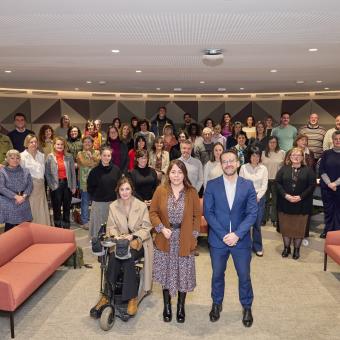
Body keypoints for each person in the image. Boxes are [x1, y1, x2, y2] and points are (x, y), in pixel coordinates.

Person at [204, 150, 257, 327]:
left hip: (240, 241)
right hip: (218, 241)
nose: (228, 164)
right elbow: (208, 213)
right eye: (224, 161)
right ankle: (216, 303)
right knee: (217, 274)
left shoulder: (247, 185)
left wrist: (237, 234)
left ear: (237, 163)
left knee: (244, 276)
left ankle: (247, 306)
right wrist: (223, 235)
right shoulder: (211, 185)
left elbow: (252, 213)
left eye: (231, 161)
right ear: (221, 164)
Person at [150, 160, 200, 323]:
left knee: (183, 274)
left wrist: (193, 236)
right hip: (165, 237)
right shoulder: (160, 190)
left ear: (184, 174)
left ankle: (180, 307)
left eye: (180, 172)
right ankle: (167, 306)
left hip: (184, 238)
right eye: (173, 172)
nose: (176, 175)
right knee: (166, 274)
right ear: (168, 174)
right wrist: (161, 229)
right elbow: (153, 213)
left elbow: (196, 216)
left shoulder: (191, 192)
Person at [101, 176, 154, 316]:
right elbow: (110, 227)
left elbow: (147, 227)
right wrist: (116, 236)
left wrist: (133, 236)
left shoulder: (141, 205)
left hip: (138, 242)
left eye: (127, 189)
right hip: (120, 242)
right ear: (118, 190)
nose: (125, 192)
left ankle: (131, 298)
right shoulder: (113, 206)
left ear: (132, 190)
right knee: (113, 257)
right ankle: (107, 294)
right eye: (122, 189)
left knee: (128, 257)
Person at [276, 147, 316, 259]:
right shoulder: (283, 169)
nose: (296, 157)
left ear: (302, 157)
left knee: (299, 229)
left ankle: (297, 250)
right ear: (290, 157)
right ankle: (286, 248)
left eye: (299, 155)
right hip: (285, 204)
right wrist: (286, 195)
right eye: (294, 155)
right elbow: (278, 184)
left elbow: (311, 186)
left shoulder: (309, 170)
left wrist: (300, 197)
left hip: (302, 205)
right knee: (286, 228)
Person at [87, 146, 121, 238]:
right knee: (99, 229)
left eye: (108, 155)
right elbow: (90, 188)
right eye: (104, 155)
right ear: (101, 156)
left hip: (113, 203)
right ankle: (98, 247)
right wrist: (97, 196)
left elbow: (120, 186)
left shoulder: (116, 170)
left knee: (112, 229)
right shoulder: (94, 172)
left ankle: (111, 248)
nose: (106, 157)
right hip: (99, 204)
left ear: (111, 157)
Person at [239, 147, 268, 256]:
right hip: (245, 199)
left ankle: (257, 246)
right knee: (245, 224)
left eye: (257, 155)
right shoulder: (243, 168)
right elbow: (240, 184)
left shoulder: (264, 169)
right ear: (249, 156)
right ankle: (244, 246)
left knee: (256, 224)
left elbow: (264, 186)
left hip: (259, 199)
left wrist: (257, 197)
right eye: (253, 155)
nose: (255, 158)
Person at [45, 137, 76, 228]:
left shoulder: (69, 156)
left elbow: (73, 172)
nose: (60, 146)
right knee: (56, 208)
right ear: (54, 145)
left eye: (62, 144)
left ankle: (66, 227)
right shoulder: (50, 157)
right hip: (56, 185)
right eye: (58, 144)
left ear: (64, 146)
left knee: (67, 207)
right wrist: (51, 186)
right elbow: (47, 173)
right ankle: (58, 228)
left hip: (67, 185)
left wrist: (73, 186)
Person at [20, 134, 50, 225]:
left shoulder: (41, 155)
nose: (34, 144)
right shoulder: (22, 156)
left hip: (41, 186)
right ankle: (33, 231)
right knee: (32, 209)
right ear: (27, 143)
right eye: (31, 142)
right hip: (29, 187)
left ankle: (43, 230)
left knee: (41, 208)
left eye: (35, 142)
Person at [0, 149, 33, 231]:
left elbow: (30, 185)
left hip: (23, 200)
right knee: (10, 228)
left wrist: (24, 196)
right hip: (9, 202)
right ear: (7, 159)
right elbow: (1, 187)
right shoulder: (2, 171)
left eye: (17, 158)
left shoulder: (25, 171)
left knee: (25, 227)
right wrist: (16, 197)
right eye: (12, 158)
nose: (15, 160)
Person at [319, 131, 340, 238]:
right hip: (327, 188)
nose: (338, 141)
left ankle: (337, 232)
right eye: (336, 139)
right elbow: (321, 169)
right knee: (328, 210)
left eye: (339, 139)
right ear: (332, 140)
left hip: (339, 188)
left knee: (338, 210)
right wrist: (329, 184)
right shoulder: (326, 153)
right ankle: (327, 230)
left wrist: (335, 183)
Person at [76, 136, 100, 229]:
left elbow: (98, 163)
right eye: (85, 142)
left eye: (89, 142)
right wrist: (92, 161)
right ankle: (85, 221)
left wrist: (92, 156)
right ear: (83, 143)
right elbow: (83, 162)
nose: (87, 144)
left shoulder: (97, 152)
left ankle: (95, 220)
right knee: (85, 201)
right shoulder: (79, 153)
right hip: (83, 181)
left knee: (95, 202)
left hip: (95, 182)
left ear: (92, 143)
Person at [261, 136, 285, 227]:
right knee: (265, 201)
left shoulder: (282, 153)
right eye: (271, 142)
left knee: (275, 201)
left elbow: (284, 167)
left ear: (277, 143)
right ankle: (264, 218)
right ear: (268, 143)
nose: (272, 144)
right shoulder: (263, 153)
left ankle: (274, 219)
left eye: (274, 142)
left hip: (276, 181)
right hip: (265, 180)